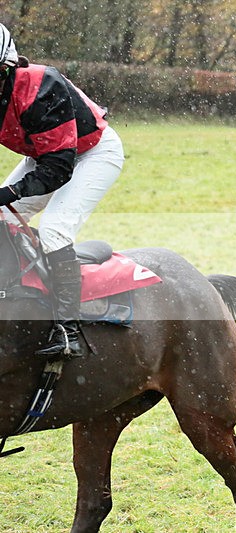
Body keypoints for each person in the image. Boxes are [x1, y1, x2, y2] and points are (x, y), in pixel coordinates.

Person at [0, 23, 125, 358]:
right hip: (46, 153)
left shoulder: (40, 87)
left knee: (55, 229)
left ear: (5, 69)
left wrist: (10, 192)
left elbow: (58, 169)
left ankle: (67, 330)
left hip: (92, 153)